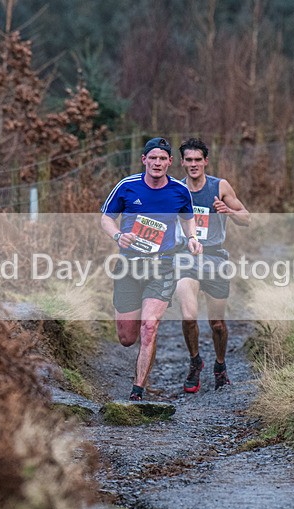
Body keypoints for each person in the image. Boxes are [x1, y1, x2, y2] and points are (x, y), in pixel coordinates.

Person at [100, 137, 203, 401]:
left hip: (163, 266)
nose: (157, 163)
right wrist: (117, 236)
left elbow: (188, 218)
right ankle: (140, 373)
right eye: (152, 158)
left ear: (170, 162)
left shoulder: (179, 192)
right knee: (127, 336)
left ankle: (138, 390)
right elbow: (106, 218)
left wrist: (192, 238)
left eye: (162, 159)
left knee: (149, 326)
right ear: (144, 160)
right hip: (129, 267)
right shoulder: (127, 187)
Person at [175, 138, 250, 393]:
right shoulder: (176, 189)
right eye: (189, 160)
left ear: (206, 161)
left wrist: (228, 211)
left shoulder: (220, 186)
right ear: (182, 162)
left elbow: (246, 219)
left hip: (216, 258)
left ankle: (220, 365)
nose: (193, 164)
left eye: (198, 160)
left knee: (217, 323)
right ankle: (195, 361)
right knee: (188, 316)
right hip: (187, 258)